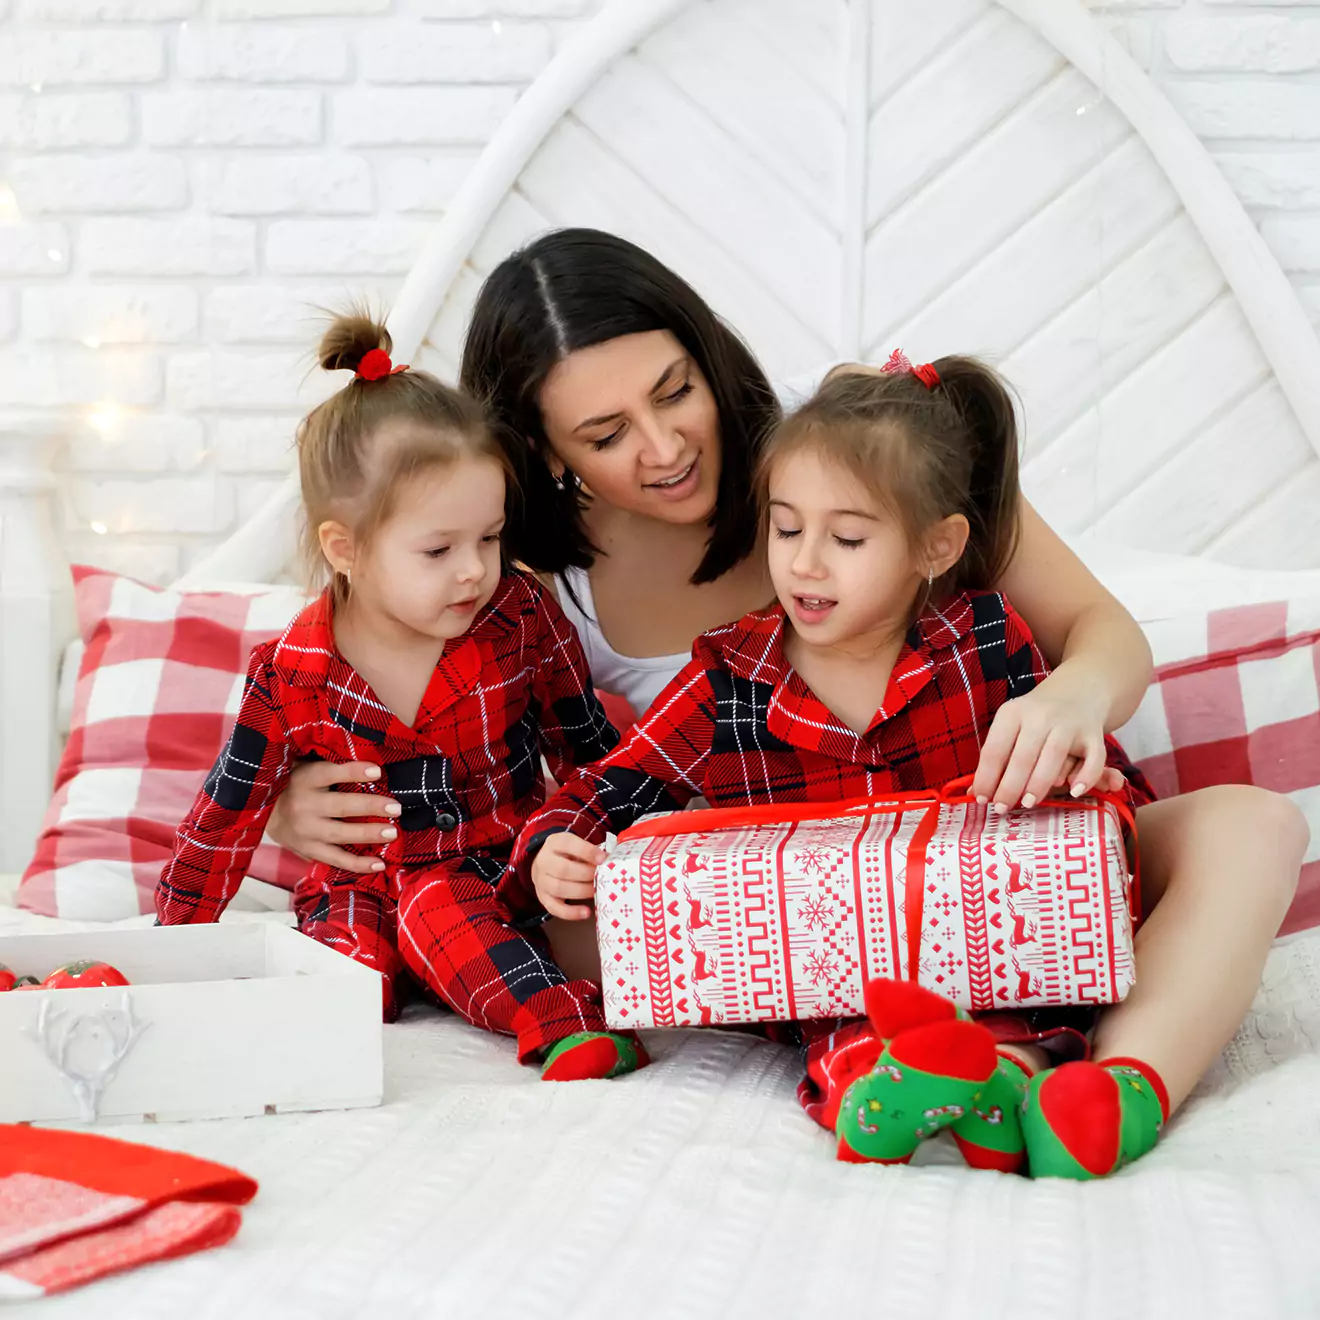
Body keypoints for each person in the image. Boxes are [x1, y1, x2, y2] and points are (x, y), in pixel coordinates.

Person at [266, 228, 1306, 1136]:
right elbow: (418, 733)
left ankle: (1118, 1085)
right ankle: (944, 1058)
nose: (666, 446)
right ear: (542, 449)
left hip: (986, 844)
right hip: (780, 902)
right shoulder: (521, 578)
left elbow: (1103, 631)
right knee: (565, 904)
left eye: (675, 390)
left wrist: (1072, 694)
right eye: (606, 434)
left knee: (1253, 830)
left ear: (706, 350)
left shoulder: (867, 450)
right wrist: (300, 801)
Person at [156, 310, 645, 1084]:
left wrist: (616, 850)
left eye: (489, 538)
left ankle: (560, 1019)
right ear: (344, 549)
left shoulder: (519, 618)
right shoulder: (291, 672)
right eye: (438, 549)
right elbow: (224, 818)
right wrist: (171, 950)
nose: (473, 571)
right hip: (355, 887)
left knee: (442, 909)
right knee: (339, 984)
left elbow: (589, 747)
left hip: (492, 875)